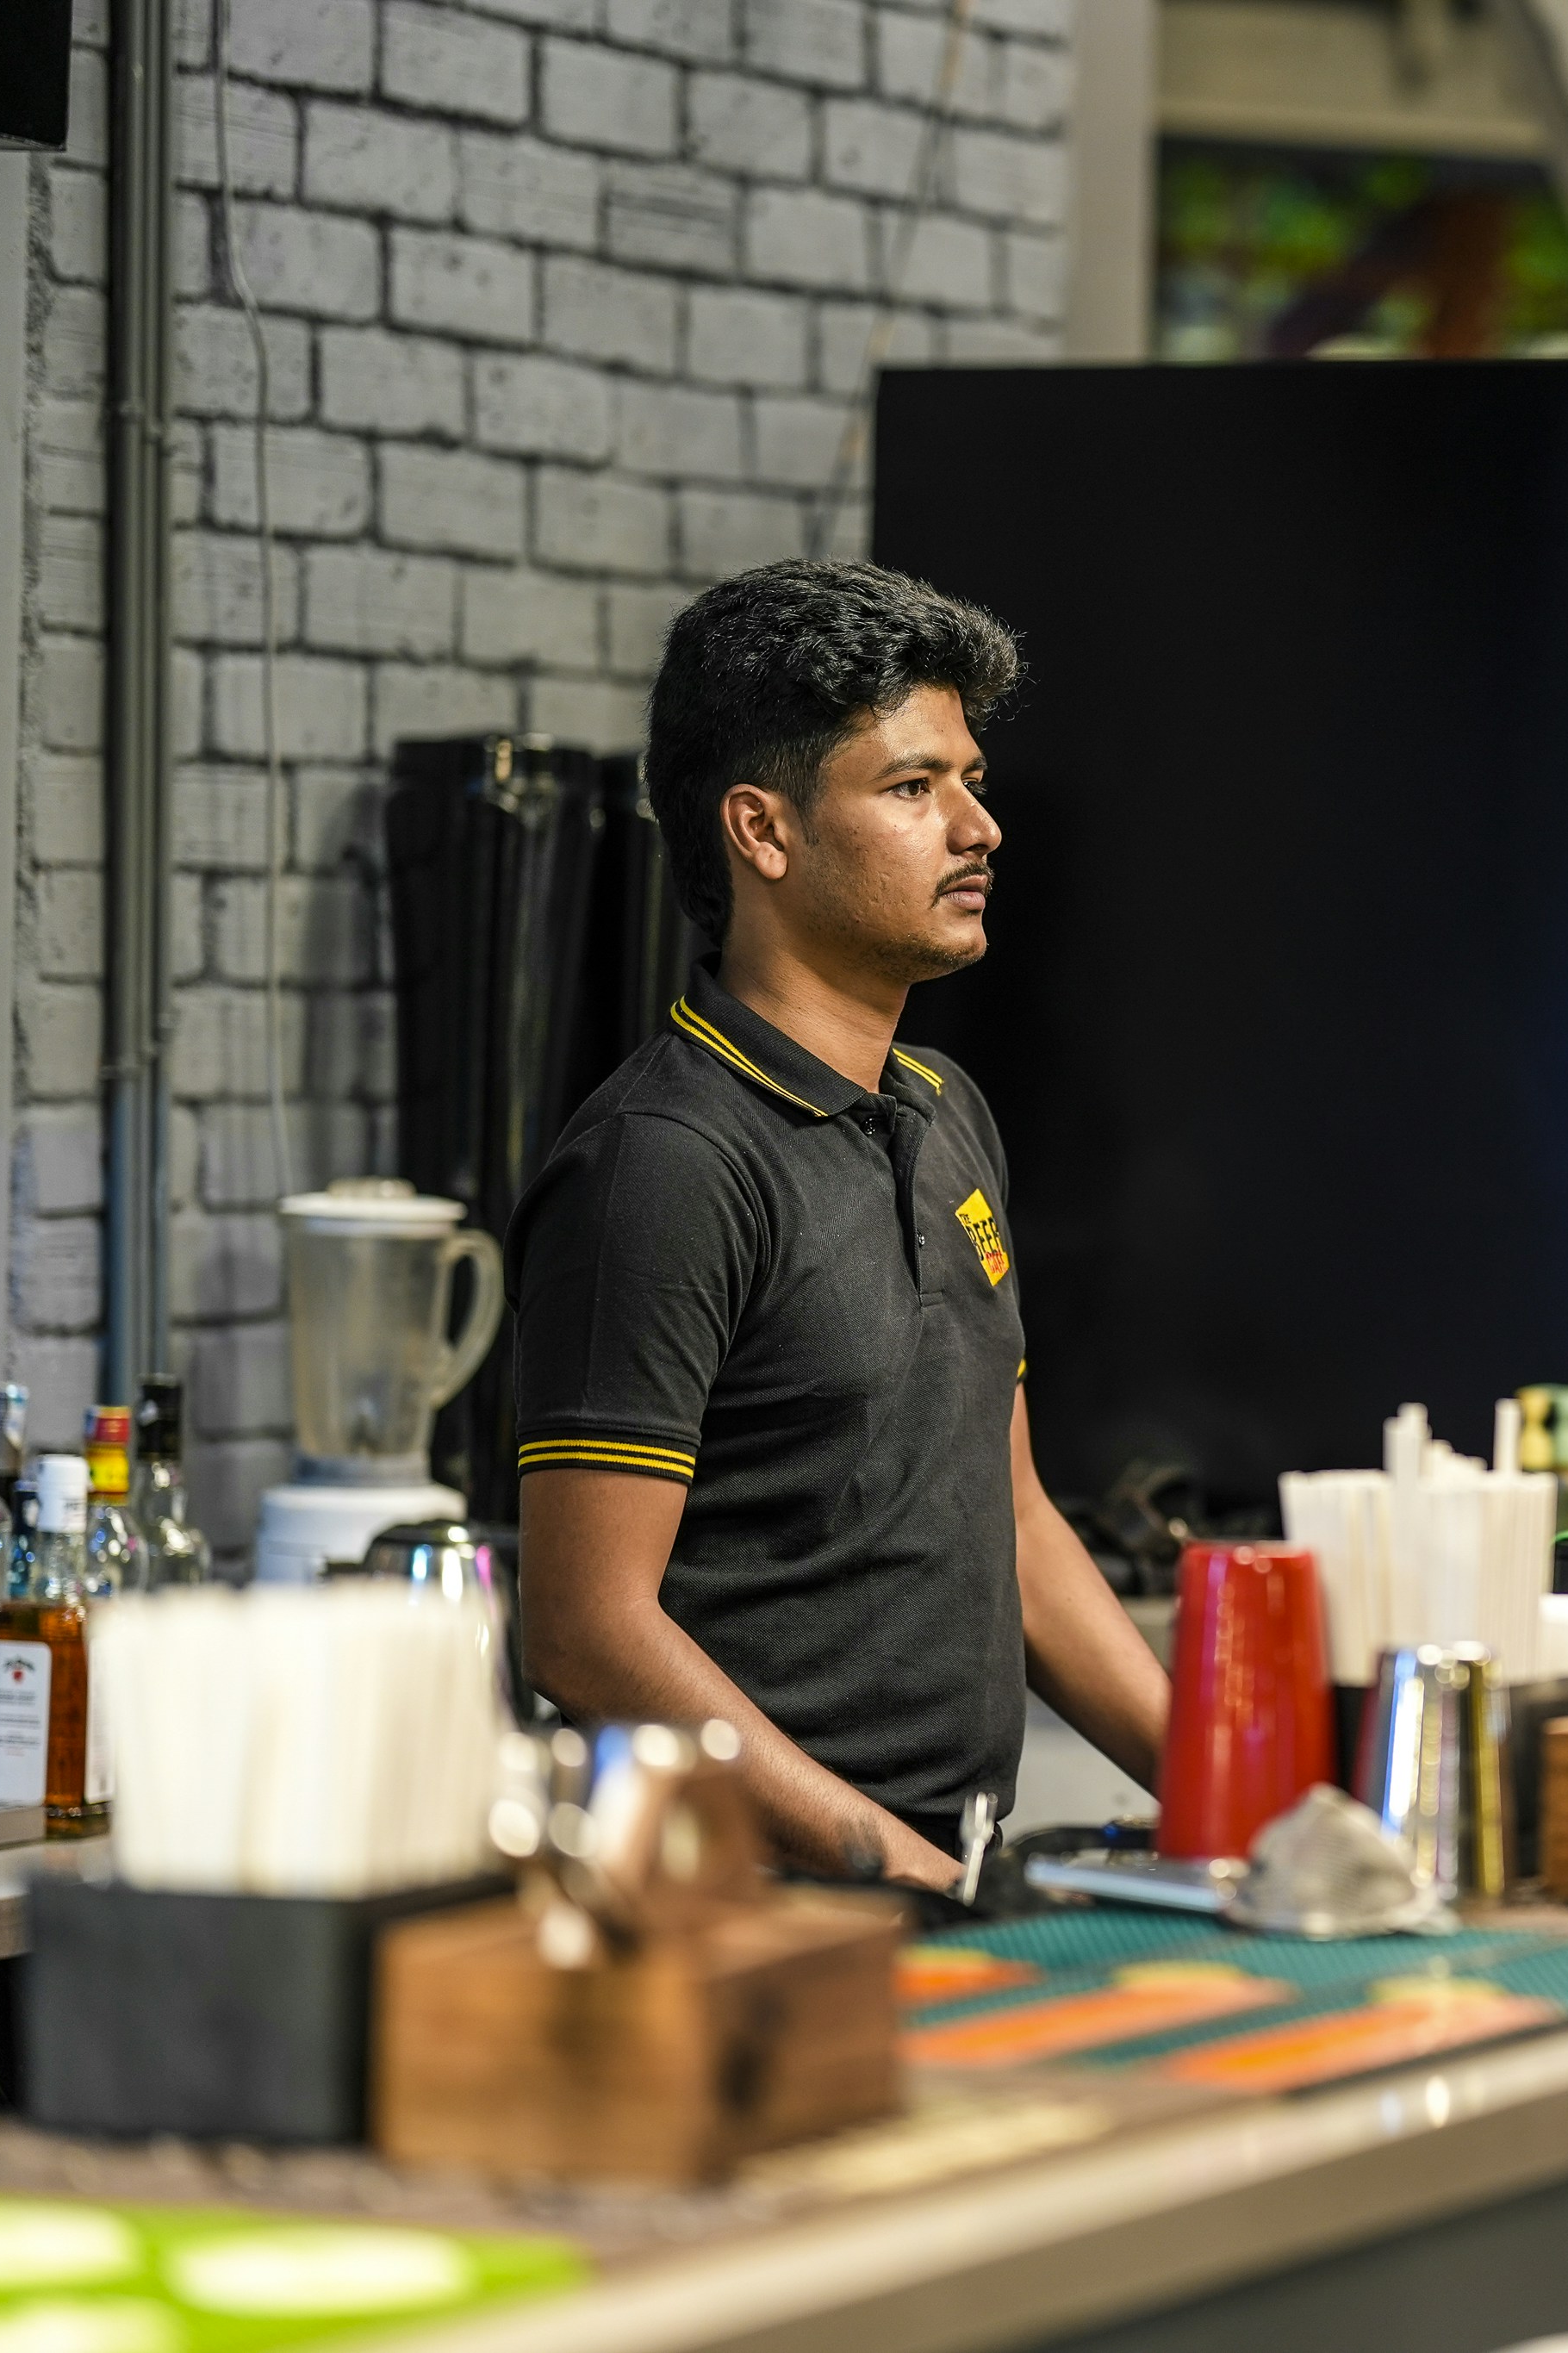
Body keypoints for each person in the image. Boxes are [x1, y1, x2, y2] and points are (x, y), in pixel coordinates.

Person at [508, 560, 1169, 1889]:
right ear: (763, 831)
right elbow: (583, 1629)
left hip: (947, 1885)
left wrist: (1248, 1790)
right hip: (762, 1916)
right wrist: (894, 1864)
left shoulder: (946, 1110)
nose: (979, 826)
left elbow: (1020, 1521)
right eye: (915, 787)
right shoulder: (664, 1163)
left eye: (970, 780)